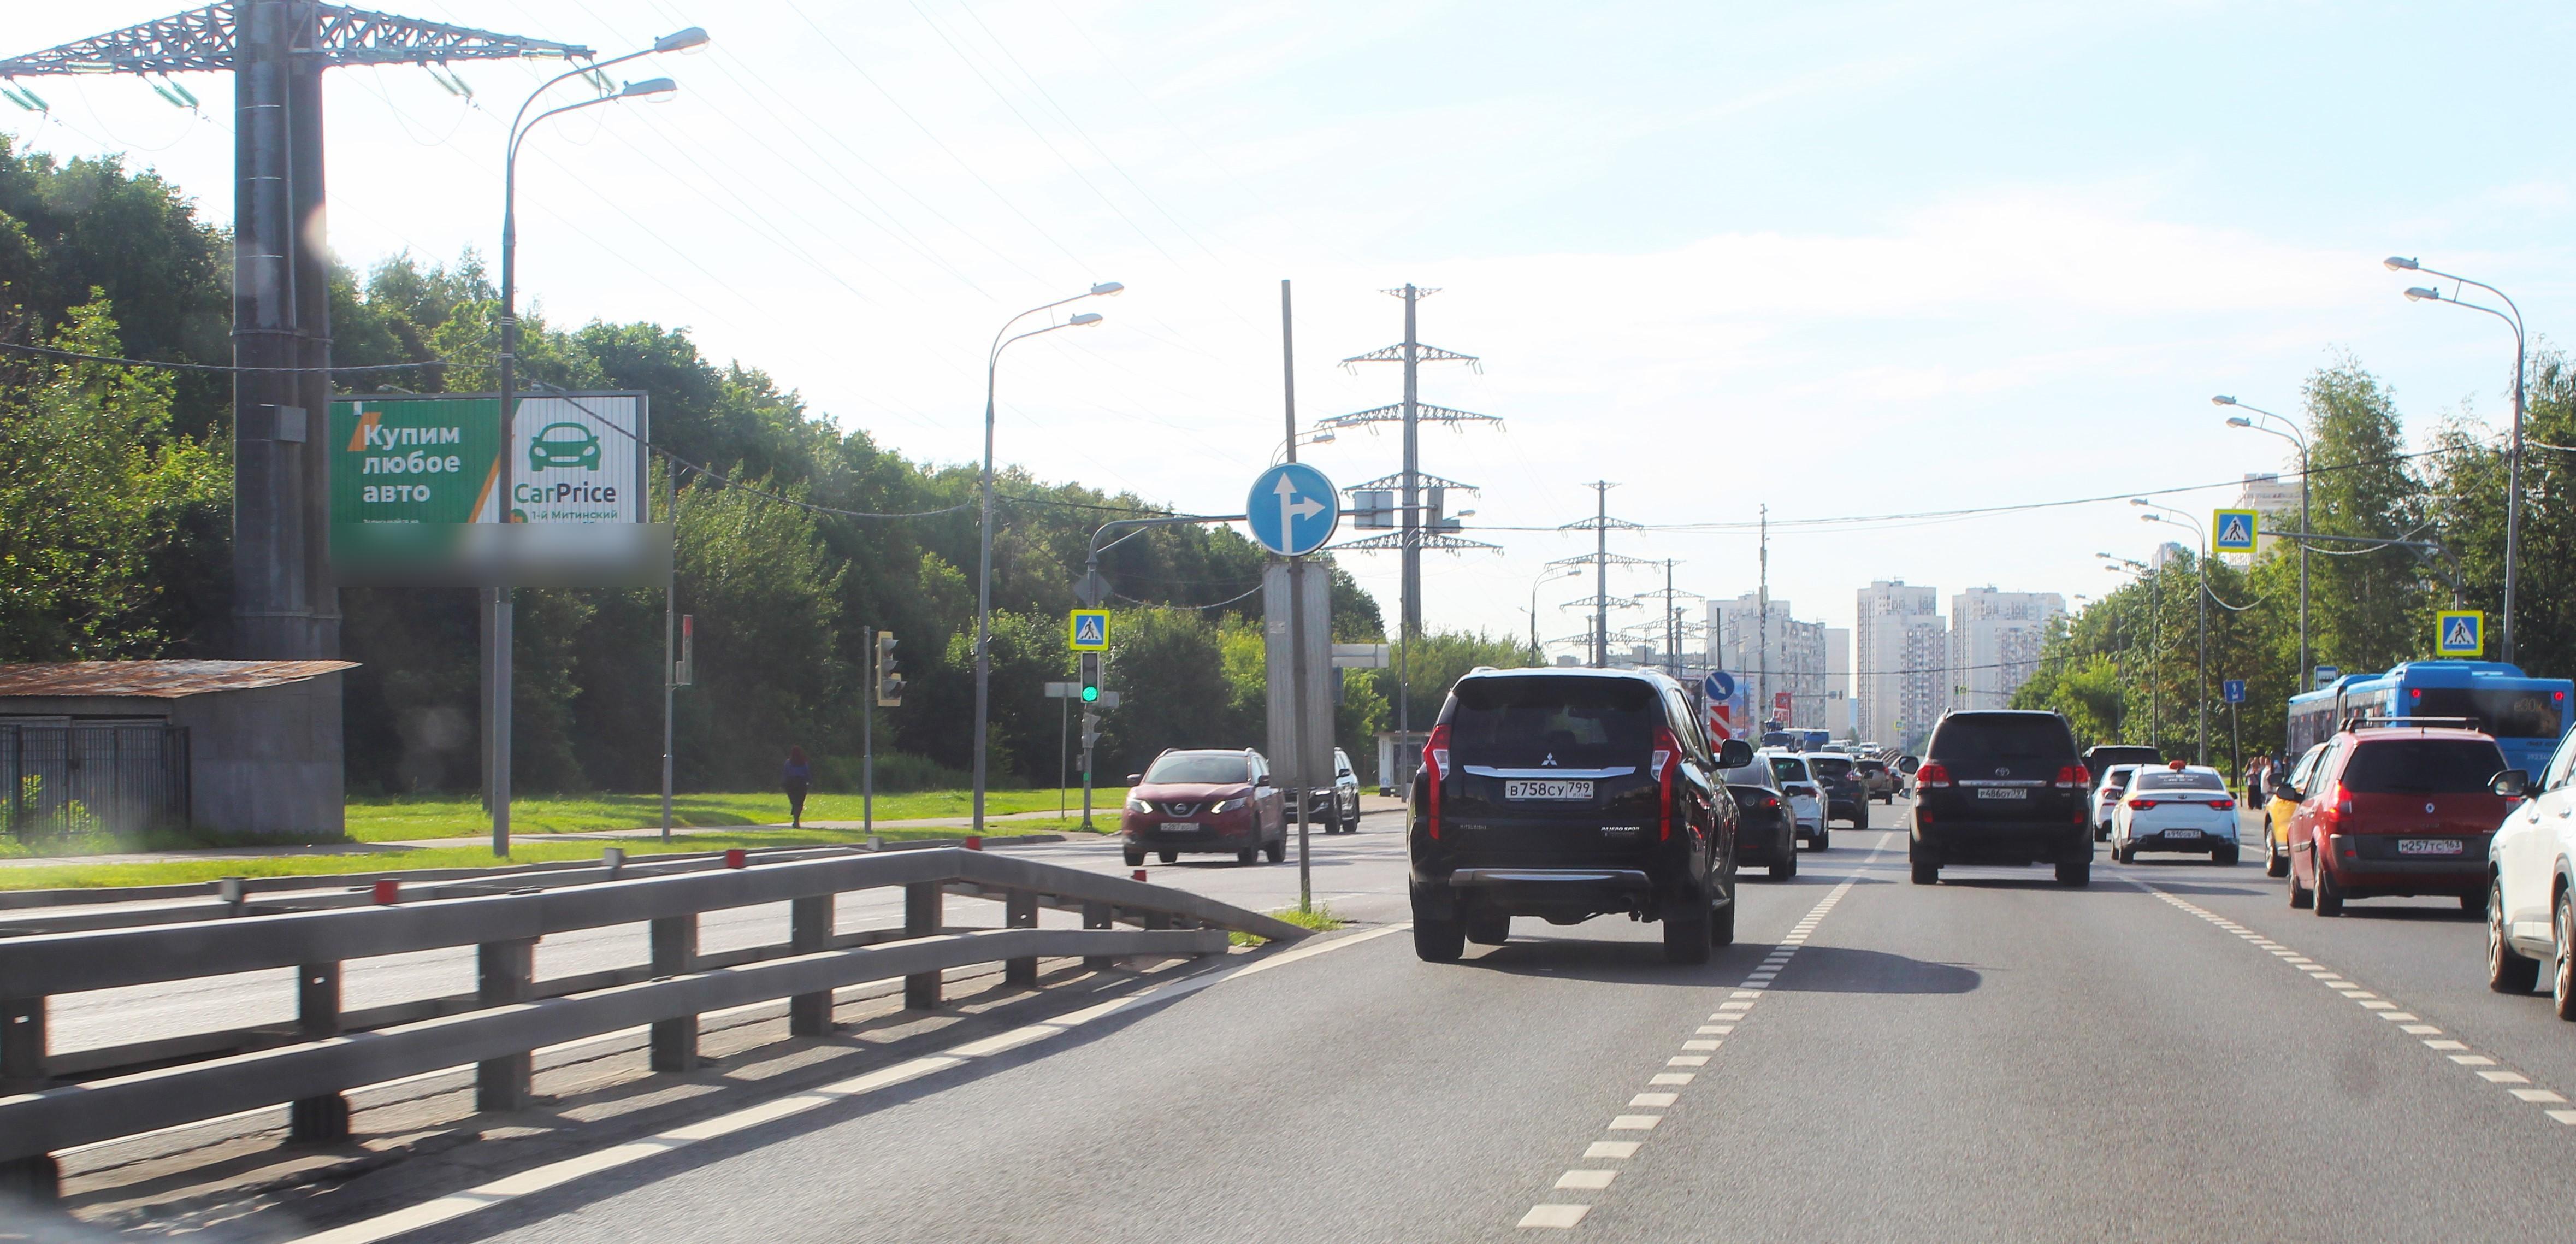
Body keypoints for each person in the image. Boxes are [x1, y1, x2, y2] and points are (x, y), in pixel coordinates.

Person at [782, 746, 812, 828]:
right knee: (800, 803)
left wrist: (784, 783)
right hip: (801, 784)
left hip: (790, 784)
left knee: (794, 802)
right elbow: (807, 773)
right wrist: (809, 782)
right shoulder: (804, 763)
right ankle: (796, 820)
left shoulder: (788, 763)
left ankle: (795, 817)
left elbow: (785, 773)